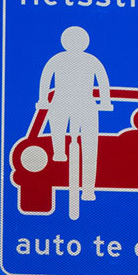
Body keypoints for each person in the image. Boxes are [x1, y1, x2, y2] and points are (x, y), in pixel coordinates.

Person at [36, 25, 112, 200]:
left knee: (89, 145)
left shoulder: (58, 59)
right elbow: (103, 82)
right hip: (80, 103)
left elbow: (45, 80)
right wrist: (105, 102)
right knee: (84, 142)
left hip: (73, 103)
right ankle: (60, 152)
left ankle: (86, 187)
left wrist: (43, 100)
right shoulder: (90, 60)